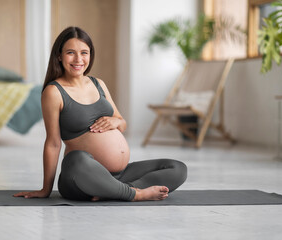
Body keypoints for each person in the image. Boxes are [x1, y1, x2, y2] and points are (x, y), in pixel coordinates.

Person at [14, 26, 187, 201]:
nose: (78, 59)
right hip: (80, 176)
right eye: (70, 53)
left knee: (177, 168)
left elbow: (122, 122)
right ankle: (135, 193)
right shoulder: (54, 92)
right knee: (76, 159)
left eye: (84, 52)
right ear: (59, 56)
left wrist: (116, 122)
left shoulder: (98, 84)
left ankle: (112, 189)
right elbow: (52, 143)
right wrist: (45, 189)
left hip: (121, 174)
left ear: (90, 55)